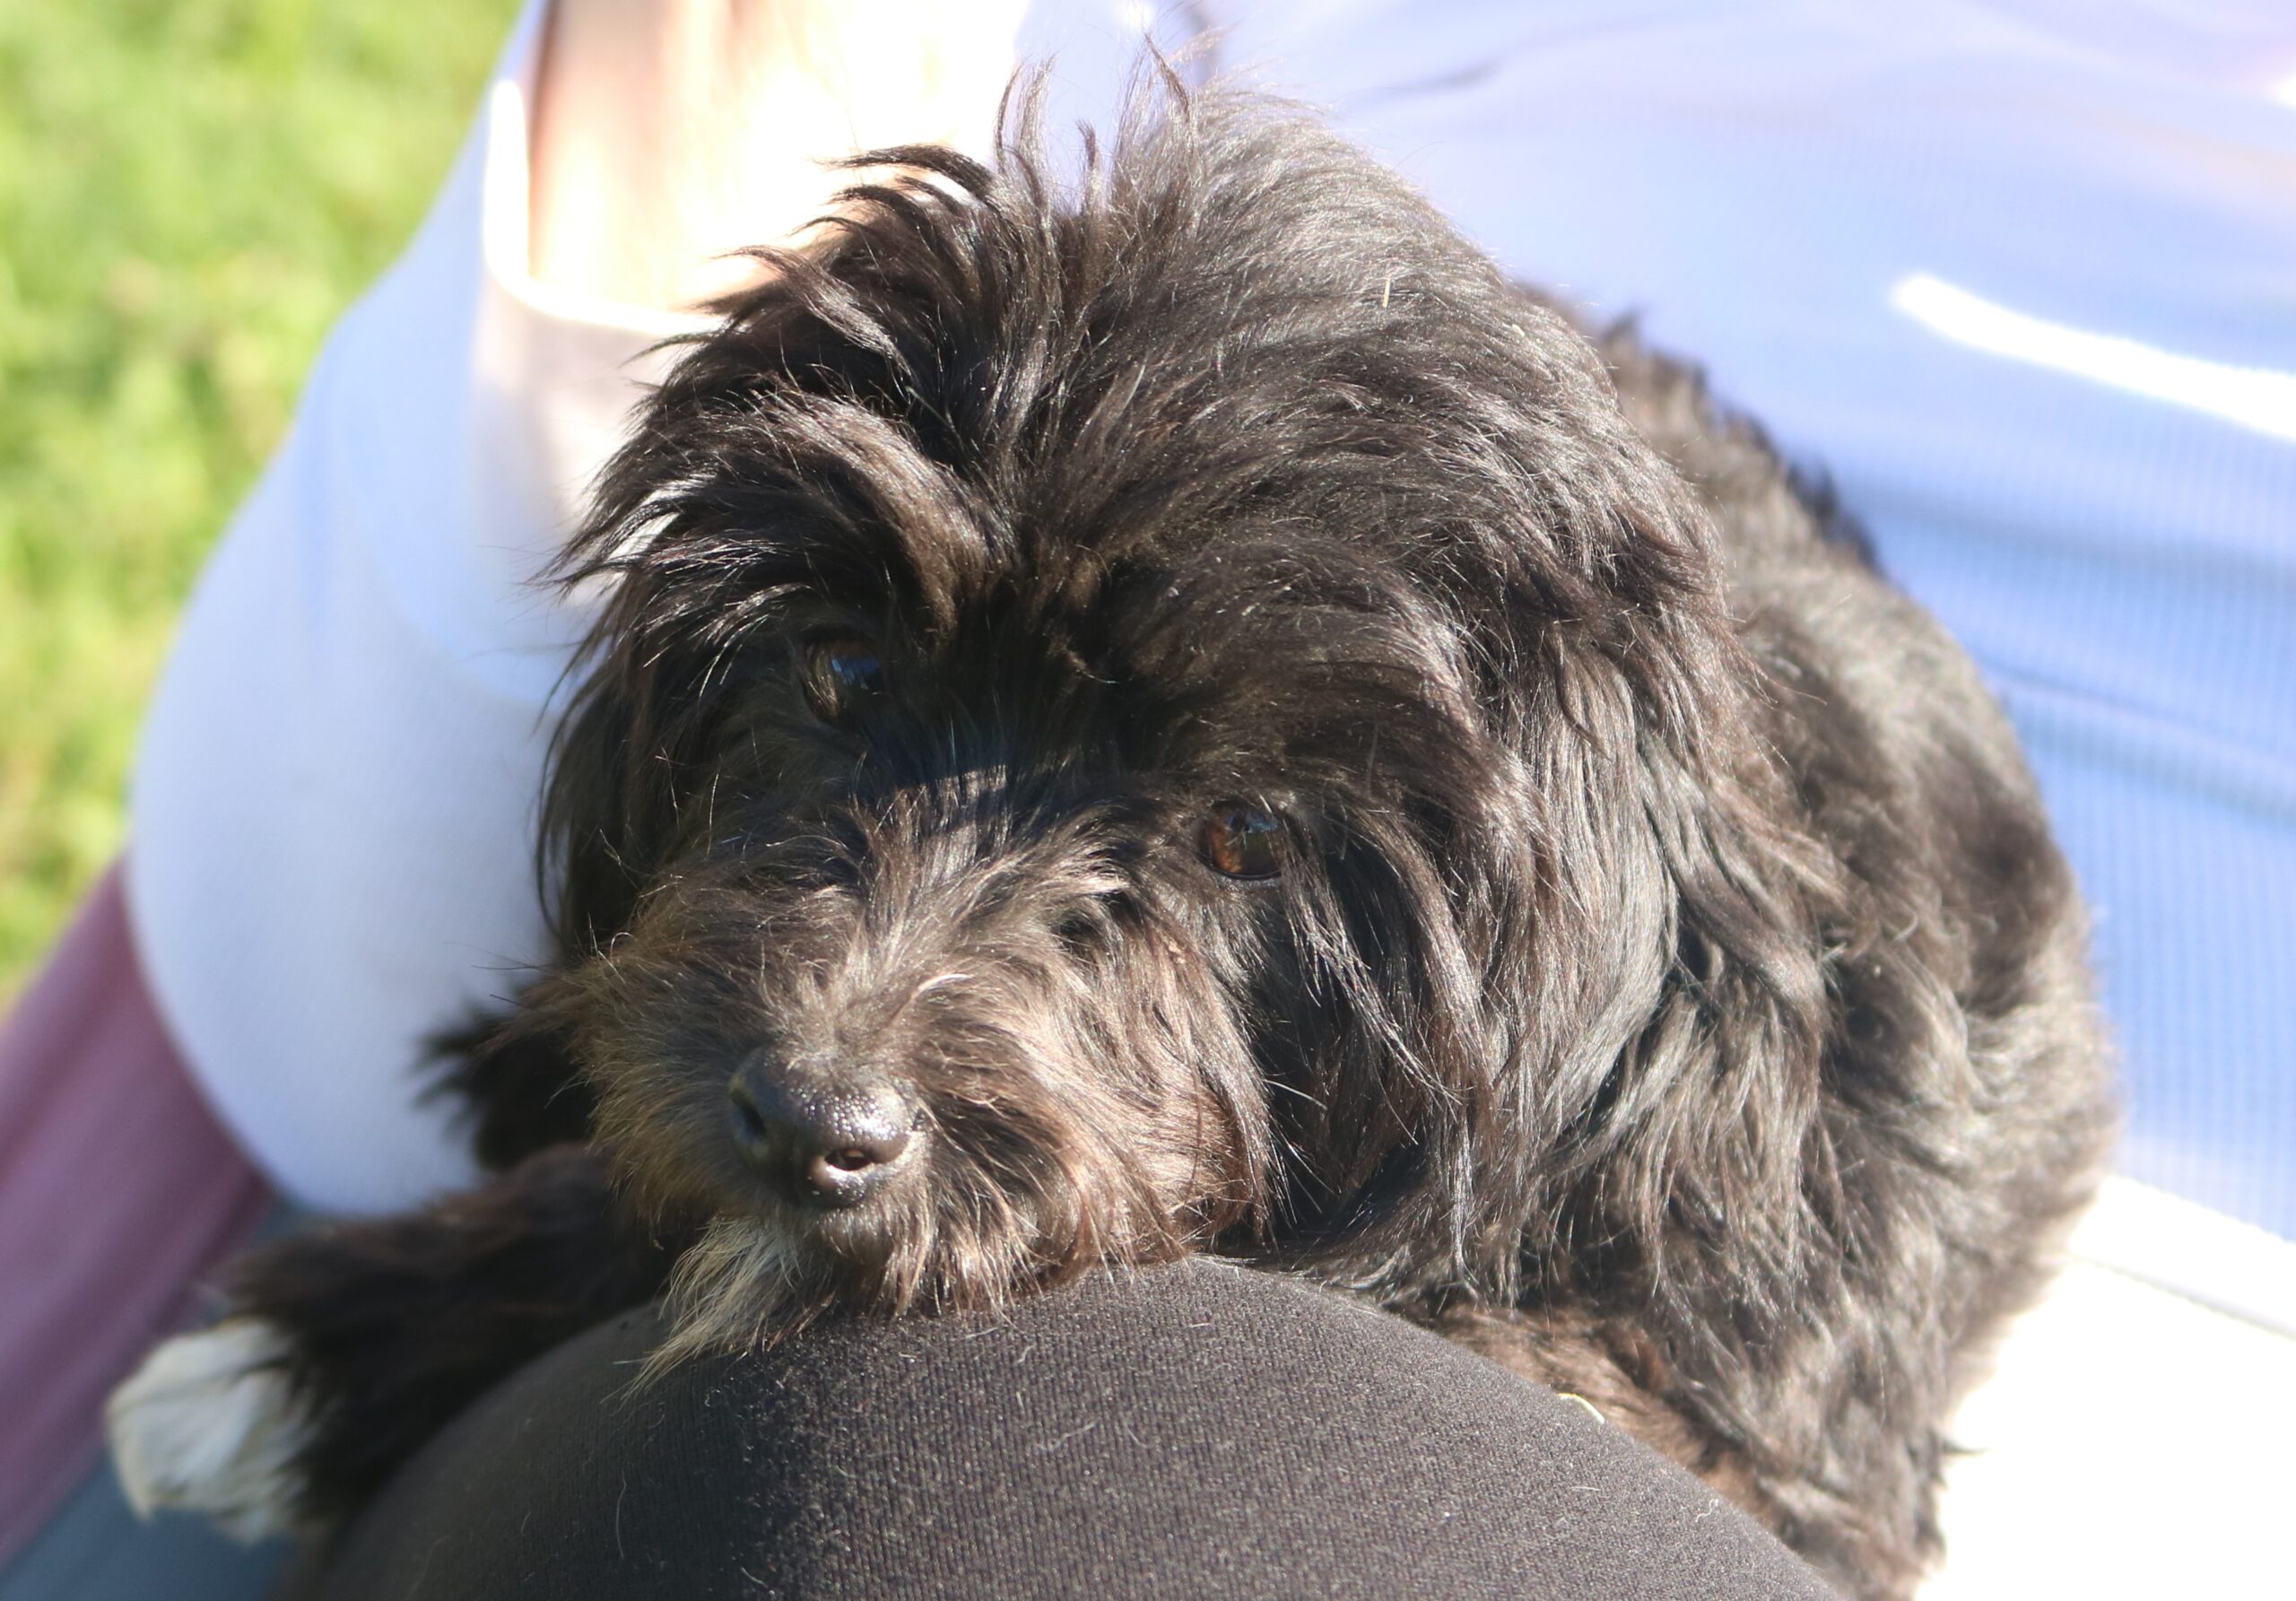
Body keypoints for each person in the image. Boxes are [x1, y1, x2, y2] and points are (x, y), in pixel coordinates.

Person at [4, 2, 2292, 1595]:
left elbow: (1748, 1448)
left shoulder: (1703, 1168)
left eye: (1219, 853)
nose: (839, 1027)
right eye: (831, 680)